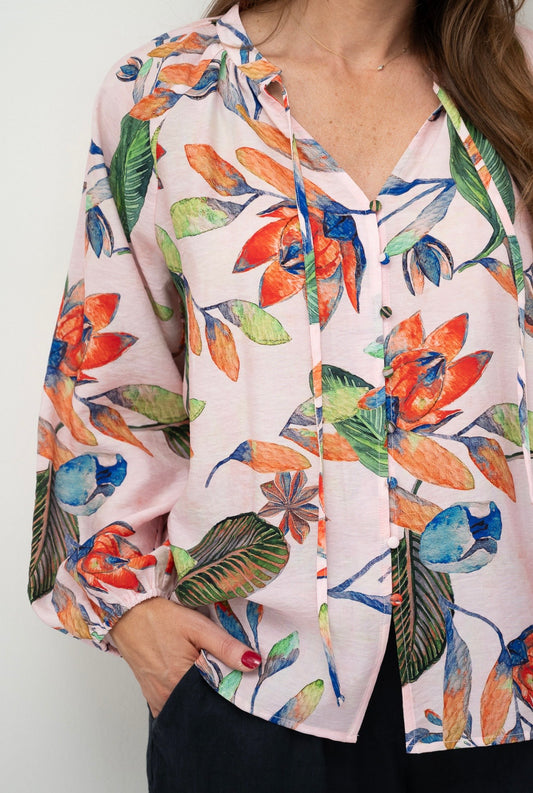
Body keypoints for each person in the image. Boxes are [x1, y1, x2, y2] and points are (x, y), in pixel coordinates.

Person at [29, 0, 533, 790]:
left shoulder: (515, 86)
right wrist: (130, 613)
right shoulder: (167, 92)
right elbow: (103, 378)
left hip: (503, 693)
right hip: (251, 694)